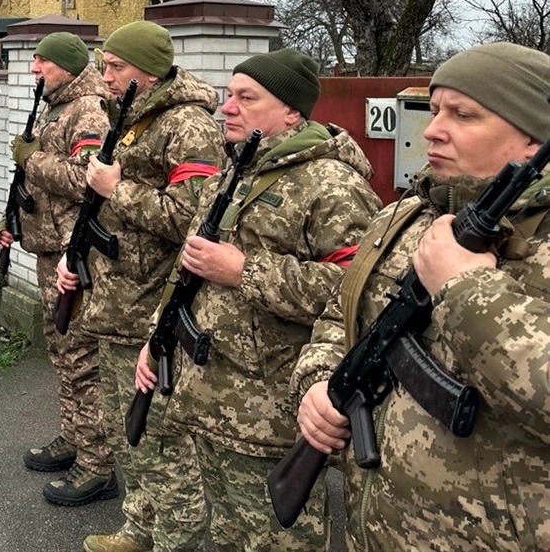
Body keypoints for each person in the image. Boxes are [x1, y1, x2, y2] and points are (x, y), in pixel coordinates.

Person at [292, 42, 550, 551]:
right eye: (434, 111)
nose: (432, 130)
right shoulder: (404, 216)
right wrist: (319, 381)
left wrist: (465, 288)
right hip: (375, 527)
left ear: (532, 138)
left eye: (463, 114)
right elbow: (340, 315)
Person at [134, 48, 381, 550]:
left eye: (247, 98)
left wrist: (245, 271)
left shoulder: (331, 183)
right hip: (209, 399)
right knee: (228, 536)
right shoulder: (236, 170)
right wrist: (157, 336)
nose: (228, 107)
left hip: (269, 415)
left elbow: (359, 291)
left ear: (291, 110)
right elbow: (189, 267)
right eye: (229, 95)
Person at [55, 21, 224, 551]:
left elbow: (194, 218)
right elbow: (100, 210)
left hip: (151, 304)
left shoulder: (188, 126)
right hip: (114, 301)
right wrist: (74, 257)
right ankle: (140, 527)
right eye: (103, 65)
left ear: (148, 72)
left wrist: (118, 188)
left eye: (116, 67)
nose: (105, 76)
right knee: (126, 432)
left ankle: (175, 539)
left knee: (161, 441)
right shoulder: (128, 116)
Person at [0, 32, 116, 506]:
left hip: (75, 255)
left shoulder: (88, 110)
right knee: (63, 354)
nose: (34, 68)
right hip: (51, 250)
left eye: (42, 61)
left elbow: (87, 180)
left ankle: (98, 463)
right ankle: (73, 436)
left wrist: (33, 159)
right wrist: (12, 220)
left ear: (66, 65)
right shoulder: (56, 105)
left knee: (81, 359)